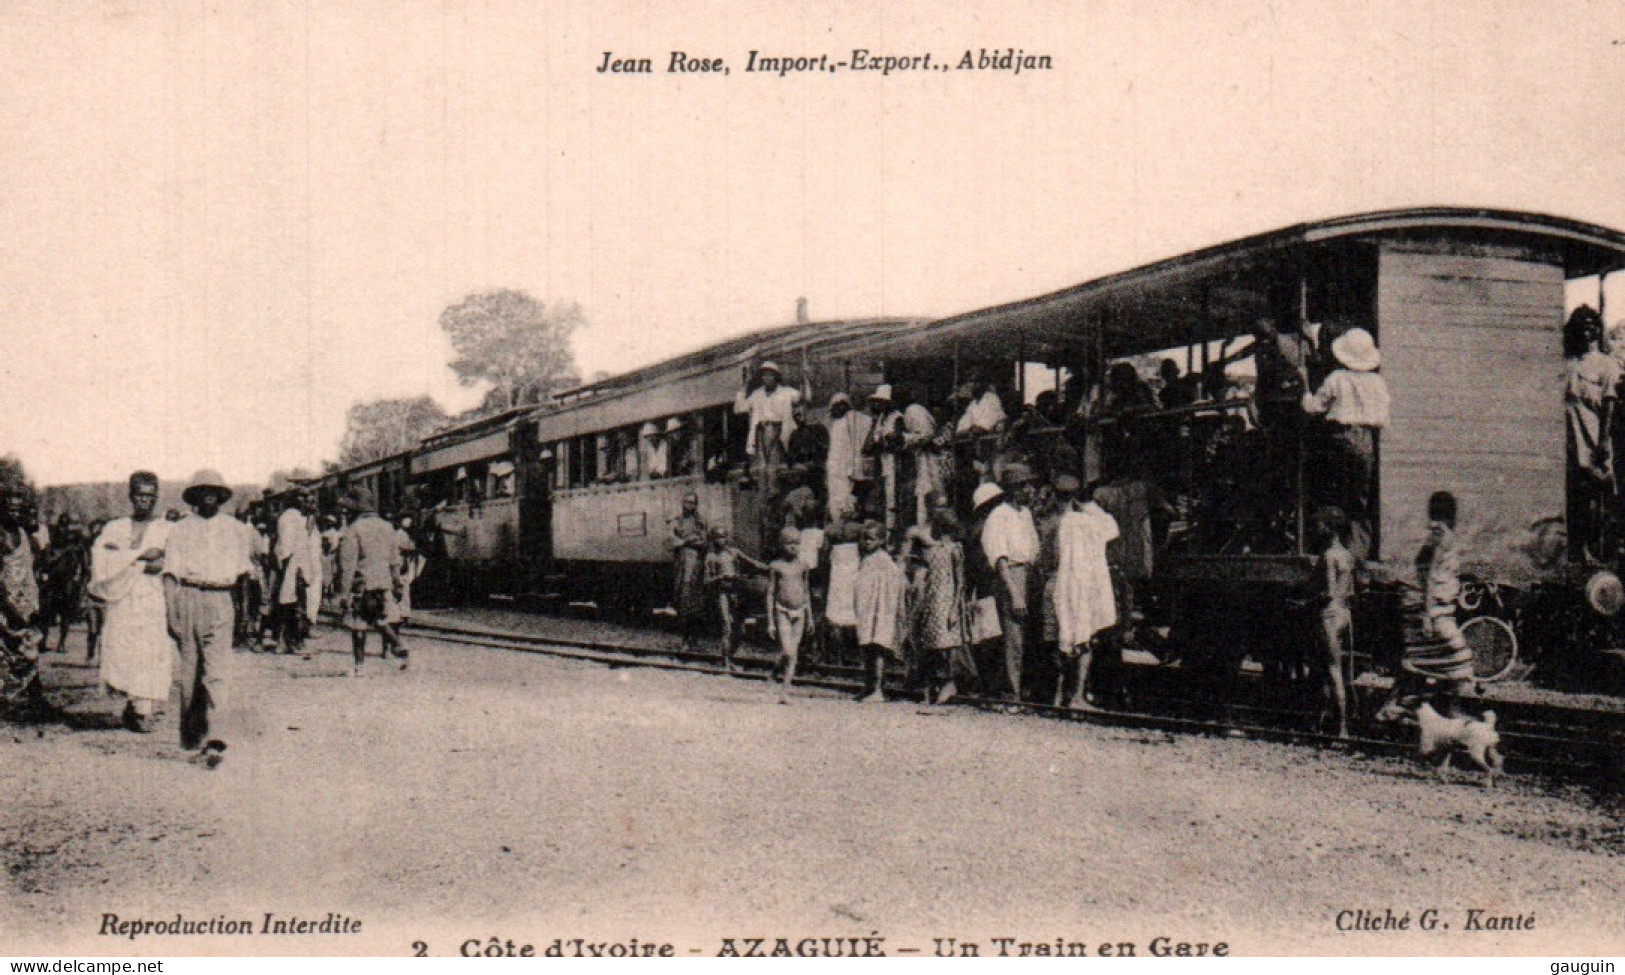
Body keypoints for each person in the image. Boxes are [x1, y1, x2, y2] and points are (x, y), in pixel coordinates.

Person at [162, 470, 253, 767]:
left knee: (217, 672)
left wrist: (244, 613)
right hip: (189, 597)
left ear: (222, 494)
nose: (209, 495)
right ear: (196, 495)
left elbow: (244, 575)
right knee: (189, 675)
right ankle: (193, 738)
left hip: (221, 598)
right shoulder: (181, 529)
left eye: (214, 490)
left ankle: (216, 737)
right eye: (203, 490)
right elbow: (170, 573)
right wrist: (171, 610)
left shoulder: (236, 529)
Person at [1380, 491, 1473, 722]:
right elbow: (1430, 575)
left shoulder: (1437, 533)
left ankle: (1403, 706)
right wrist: (1428, 613)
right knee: (1456, 654)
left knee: (1419, 663)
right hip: (1432, 608)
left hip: (1432, 606)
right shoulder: (1441, 533)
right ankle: (1443, 708)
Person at [91, 472, 173, 732]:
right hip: (122, 599)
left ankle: (143, 710)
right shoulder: (115, 527)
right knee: (122, 649)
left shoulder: (166, 529)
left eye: (150, 496)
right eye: (140, 495)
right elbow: (102, 559)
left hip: (151, 598)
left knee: (150, 651)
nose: (144, 501)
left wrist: (140, 561)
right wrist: (140, 557)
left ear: (156, 497)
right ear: (131, 496)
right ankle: (131, 701)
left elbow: (170, 562)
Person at [1300, 326, 1391, 531]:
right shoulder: (1378, 382)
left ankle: (1331, 538)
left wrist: (1305, 385)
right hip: (1366, 438)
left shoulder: (1337, 378)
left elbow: (1313, 407)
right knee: (1359, 498)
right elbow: (1383, 413)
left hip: (1339, 437)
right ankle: (1355, 544)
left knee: (1333, 493)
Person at [1050, 476, 1119, 710]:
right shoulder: (1087, 521)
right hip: (1086, 582)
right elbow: (1112, 528)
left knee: (1066, 636)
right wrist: (1090, 509)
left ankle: (1059, 696)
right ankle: (1078, 696)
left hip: (1064, 581)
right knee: (1086, 639)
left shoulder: (1058, 521)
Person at [981, 464, 1040, 701]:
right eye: (1027, 485)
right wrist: (1014, 592)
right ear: (1016, 489)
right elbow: (999, 558)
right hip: (1011, 576)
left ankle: (1025, 689)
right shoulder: (999, 516)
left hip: (1029, 573)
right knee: (1012, 636)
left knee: (1029, 636)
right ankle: (1010, 692)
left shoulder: (1024, 513)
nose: (1031, 490)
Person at [1564, 305, 1617, 558]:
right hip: (1569, 436)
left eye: (1590, 326)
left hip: (1593, 435)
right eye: (1580, 326)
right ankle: (1578, 548)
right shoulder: (1569, 363)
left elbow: (1609, 403)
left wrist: (1604, 440)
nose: (1586, 332)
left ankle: (1595, 547)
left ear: (1597, 329)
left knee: (1595, 494)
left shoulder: (1606, 364)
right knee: (1575, 494)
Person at [337, 487, 407, 672]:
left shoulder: (354, 529)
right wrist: (397, 583)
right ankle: (397, 644)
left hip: (363, 583)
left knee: (359, 624)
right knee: (381, 618)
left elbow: (348, 565)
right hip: (384, 582)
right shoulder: (387, 527)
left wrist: (344, 593)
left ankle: (359, 667)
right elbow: (394, 560)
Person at [908, 507, 974, 704]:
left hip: (947, 600)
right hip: (932, 598)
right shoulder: (932, 550)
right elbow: (924, 571)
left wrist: (955, 607)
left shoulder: (955, 550)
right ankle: (934, 683)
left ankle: (950, 682)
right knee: (931, 642)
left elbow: (960, 581)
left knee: (947, 644)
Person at [0, 482, 53, 721]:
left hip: (25, 601)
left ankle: (36, 699)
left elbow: (33, 568)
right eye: (10, 507)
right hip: (4, 602)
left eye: (19, 508)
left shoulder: (24, 535)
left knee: (27, 649)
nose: (15, 512)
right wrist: (9, 607)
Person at [1309, 505, 1355, 738]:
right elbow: (1350, 591)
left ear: (1329, 528)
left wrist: (1306, 601)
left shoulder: (1328, 556)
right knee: (1336, 669)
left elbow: (1327, 592)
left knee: (1330, 670)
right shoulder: (1346, 554)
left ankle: (1341, 729)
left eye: (1319, 525)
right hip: (1343, 614)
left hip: (1328, 615)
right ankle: (1324, 723)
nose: (1316, 530)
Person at [853, 520, 906, 702]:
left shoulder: (884, 560)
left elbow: (894, 581)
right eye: (864, 539)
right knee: (866, 649)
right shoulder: (866, 559)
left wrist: (882, 608)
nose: (866, 543)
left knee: (877, 649)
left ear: (882, 541)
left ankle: (877, 689)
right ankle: (868, 687)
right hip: (866, 611)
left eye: (871, 539)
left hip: (879, 611)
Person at [272, 491, 322, 657]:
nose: (308, 503)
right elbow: (286, 547)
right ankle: (288, 642)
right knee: (290, 607)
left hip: (296, 567)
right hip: (292, 567)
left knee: (291, 605)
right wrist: (288, 571)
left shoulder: (298, 518)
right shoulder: (290, 518)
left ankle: (286, 642)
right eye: (305, 500)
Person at [734, 361, 801, 486]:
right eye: (764, 375)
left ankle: (774, 492)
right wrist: (744, 387)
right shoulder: (757, 394)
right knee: (763, 468)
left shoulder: (786, 392)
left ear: (776, 377)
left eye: (770, 375)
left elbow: (803, 398)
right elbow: (739, 409)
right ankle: (766, 495)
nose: (767, 378)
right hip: (762, 431)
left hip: (779, 431)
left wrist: (805, 377)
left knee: (776, 467)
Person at [703, 527, 760, 673]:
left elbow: (753, 563)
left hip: (736, 592)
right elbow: (706, 580)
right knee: (726, 627)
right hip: (721, 593)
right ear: (712, 539)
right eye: (716, 537)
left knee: (740, 629)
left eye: (722, 537)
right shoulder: (710, 557)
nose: (720, 540)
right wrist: (720, 577)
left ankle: (729, 656)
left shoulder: (733, 553)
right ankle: (726, 662)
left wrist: (769, 568)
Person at [766, 527, 812, 704]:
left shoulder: (803, 566)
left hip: (799, 612)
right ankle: (775, 671)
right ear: (781, 544)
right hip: (782, 610)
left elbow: (806, 591)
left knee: (793, 654)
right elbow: (770, 592)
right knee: (787, 650)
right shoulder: (776, 566)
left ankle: (785, 691)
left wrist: (810, 616)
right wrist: (770, 621)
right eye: (789, 543)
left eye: (797, 543)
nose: (794, 547)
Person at [38, 513, 89, 656]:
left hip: (68, 583)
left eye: (68, 525)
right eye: (63, 525)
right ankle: (43, 641)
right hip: (52, 582)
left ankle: (61, 643)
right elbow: (45, 562)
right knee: (46, 613)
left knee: (65, 615)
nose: (65, 529)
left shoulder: (78, 547)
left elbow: (85, 567)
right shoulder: (53, 544)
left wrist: (82, 586)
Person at [669, 494, 709, 647]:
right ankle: (685, 638)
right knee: (681, 600)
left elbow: (704, 542)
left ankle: (694, 638)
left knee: (695, 602)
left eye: (693, 503)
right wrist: (688, 541)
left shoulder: (701, 521)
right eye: (687, 502)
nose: (689, 505)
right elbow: (670, 542)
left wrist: (683, 542)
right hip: (680, 564)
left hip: (696, 565)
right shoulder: (677, 520)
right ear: (682, 503)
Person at [824, 392, 872, 518]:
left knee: (848, 496)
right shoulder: (832, 424)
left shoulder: (852, 421)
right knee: (835, 495)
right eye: (837, 405)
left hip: (847, 466)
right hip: (834, 467)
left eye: (843, 405)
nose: (840, 408)